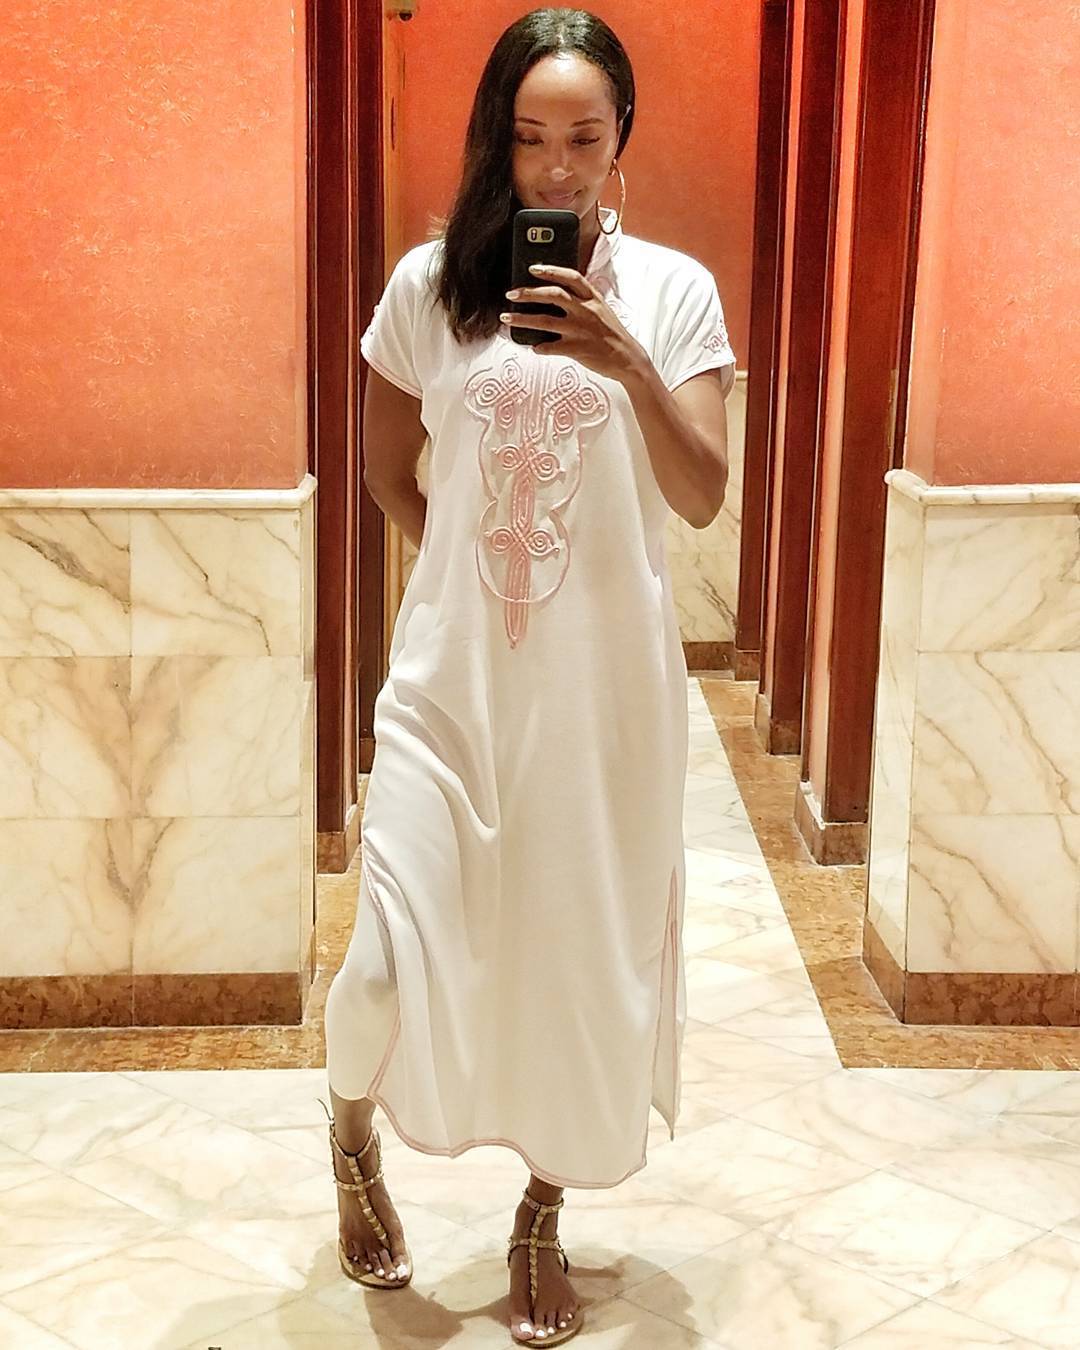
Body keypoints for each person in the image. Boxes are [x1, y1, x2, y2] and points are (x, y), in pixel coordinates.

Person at [320, 8, 735, 1345]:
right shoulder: (427, 286)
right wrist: (467, 581)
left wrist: (625, 360)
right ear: (495, 140)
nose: (556, 167)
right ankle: (349, 1132)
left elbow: (703, 493)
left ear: (622, 142)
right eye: (529, 137)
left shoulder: (671, 294)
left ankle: (541, 1212)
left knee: (571, 959)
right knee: (379, 966)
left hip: (600, 706)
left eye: (583, 139)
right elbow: (388, 471)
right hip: (449, 691)